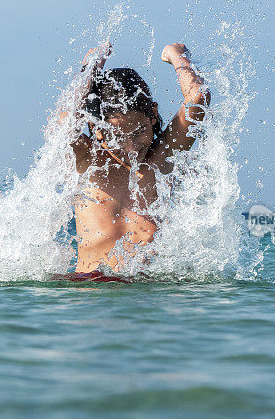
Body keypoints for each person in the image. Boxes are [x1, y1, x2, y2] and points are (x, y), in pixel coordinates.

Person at [67, 42, 210, 274]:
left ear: (153, 115)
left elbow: (198, 98)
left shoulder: (163, 158)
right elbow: (61, 126)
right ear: (97, 128)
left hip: (149, 297)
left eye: (139, 132)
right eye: (118, 136)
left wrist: (176, 56)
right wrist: (90, 69)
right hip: (91, 295)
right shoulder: (89, 162)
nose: (132, 147)